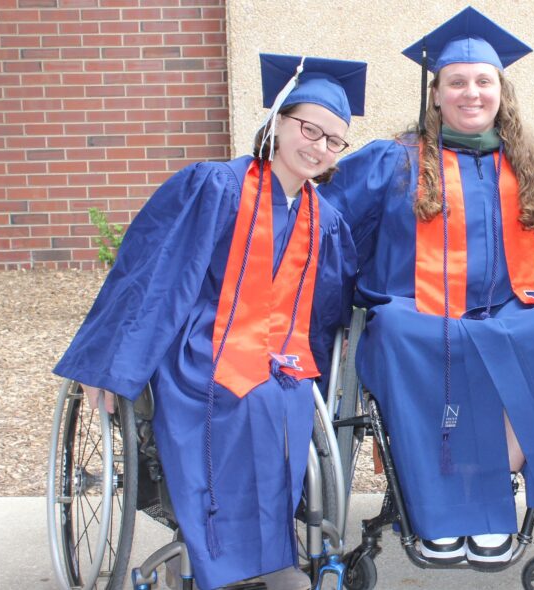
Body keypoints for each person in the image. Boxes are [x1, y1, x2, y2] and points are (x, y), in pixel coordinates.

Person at [53, 53, 363, 590]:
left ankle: (262, 558)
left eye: (333, 140)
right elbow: (154, 276)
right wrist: (111, 366)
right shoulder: (215, 185)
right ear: (277, 123)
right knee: (248, 397)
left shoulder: (325, 220)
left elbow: (326, 311)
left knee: (284, 397)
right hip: (202, 341)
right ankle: (226, 559)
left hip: (278, 354)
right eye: (308, 128)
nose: (317, 146)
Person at [318, 6, 534, 566]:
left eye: (483, 81)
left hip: (514, 306)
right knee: (394, 330)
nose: (471, 93)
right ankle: (443, 510)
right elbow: (324, 225)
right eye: (457, 82)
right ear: (437, 94)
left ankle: (490, 487)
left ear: (501, 90)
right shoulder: (391, 162)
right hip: (419, 310)